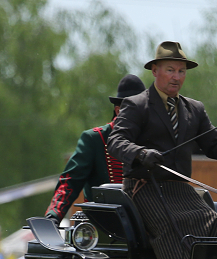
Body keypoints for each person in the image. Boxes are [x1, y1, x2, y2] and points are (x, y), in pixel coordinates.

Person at [107, 41, 217, 259]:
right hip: (144, 186)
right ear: (155, 70)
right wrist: (141, 153)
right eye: (170, 70)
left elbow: (215, 143)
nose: (176, 77)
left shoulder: (193, 109)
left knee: (208, 217)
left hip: (178, 187)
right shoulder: (136, 104)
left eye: (181, 71)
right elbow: (116, 141)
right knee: (168, 220)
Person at [45, 74, 147, 223]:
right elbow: (69, 182)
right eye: (135, 110)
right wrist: (53, 216)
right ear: (118, 111)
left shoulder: (151, 140)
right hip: (101, 225)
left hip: (144, 225)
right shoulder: (95, 139)